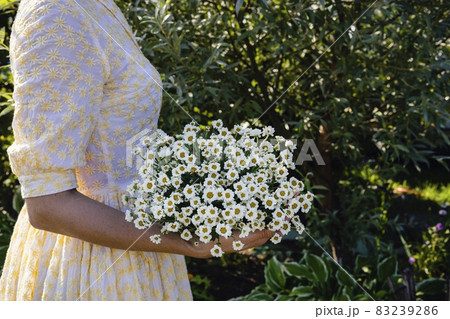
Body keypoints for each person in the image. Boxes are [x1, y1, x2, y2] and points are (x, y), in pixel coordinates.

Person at [0, 0, 272, 301]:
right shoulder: (55, 15)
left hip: (139, 244)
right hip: (92, 264)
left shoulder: (94, 5)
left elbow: (121, 136)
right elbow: (46, 204)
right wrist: (186, 242)